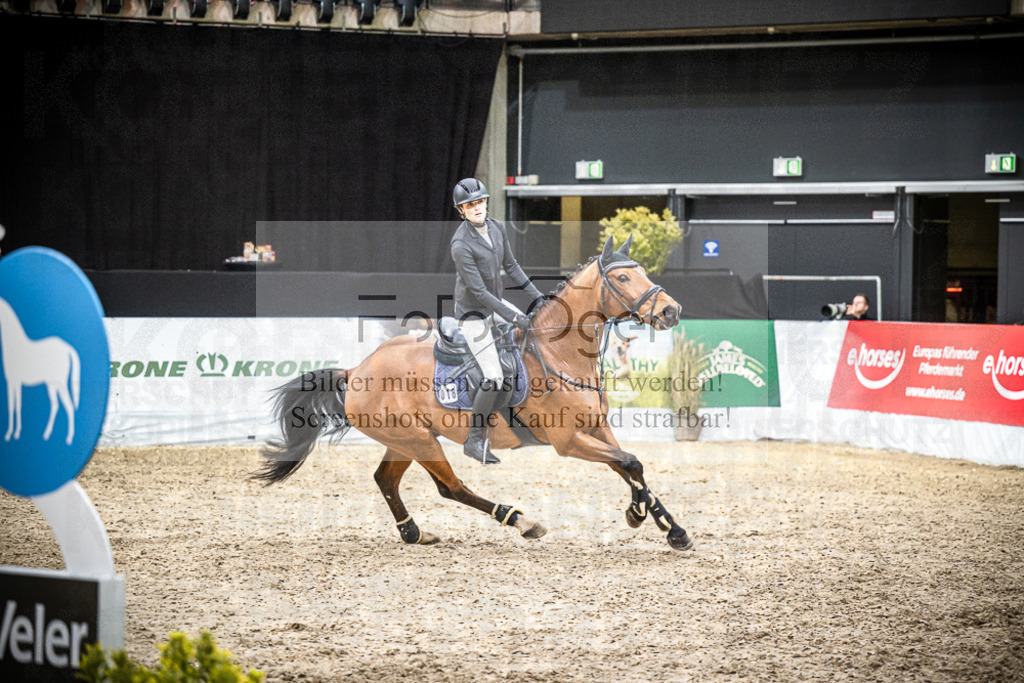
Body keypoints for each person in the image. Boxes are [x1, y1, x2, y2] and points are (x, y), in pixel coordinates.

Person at [450, 178, 544, 465]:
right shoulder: (460, 244)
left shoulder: (497, 227)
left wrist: (538, 297)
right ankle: (474, 439)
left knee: (533, 334)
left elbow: (512, 267)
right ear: (461, 210)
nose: (476, 208)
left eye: (479, 202)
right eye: (469, 205)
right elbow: (478, 292)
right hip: (473, 314)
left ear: (486, 203)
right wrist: (514, 316)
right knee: (493, 375)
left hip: (495, 303)